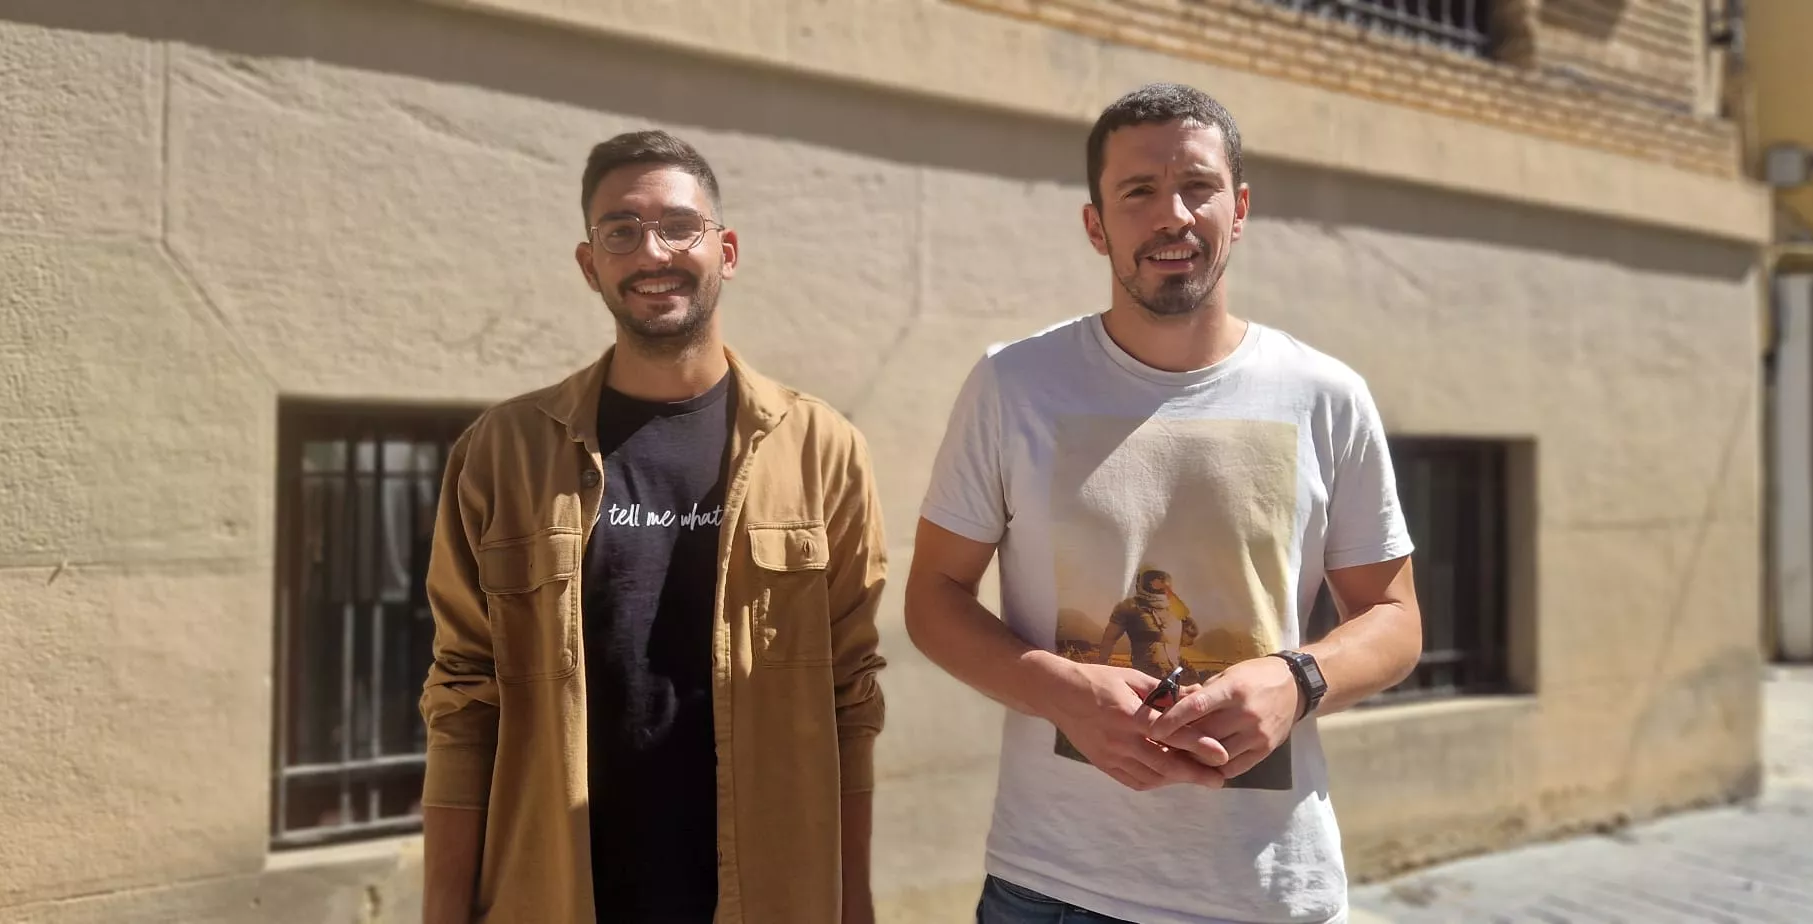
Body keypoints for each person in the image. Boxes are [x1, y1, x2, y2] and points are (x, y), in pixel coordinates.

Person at [904, 83, 1425, 924]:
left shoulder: (1326, 395)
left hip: (1267, 887)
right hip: (1053, 885)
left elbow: (1395, 620)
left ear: (1240, 207)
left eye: (1198, 186)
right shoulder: (1013, 385)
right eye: (1138, 192)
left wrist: (1299, 679)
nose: (1172, 215)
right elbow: (933, 598)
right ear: (1096, 224)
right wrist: (1063, 692)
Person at [418, 129, 889, 924]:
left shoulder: (822, 450)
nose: (652, 252)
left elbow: (850, 698)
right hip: (555, 893)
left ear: (726, 250)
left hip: (768, 894)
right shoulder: (502, 452)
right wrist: (442, 913)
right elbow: (463, 701)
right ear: (589, 262)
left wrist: (854, 905)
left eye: (679, 226)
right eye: (621, 232)